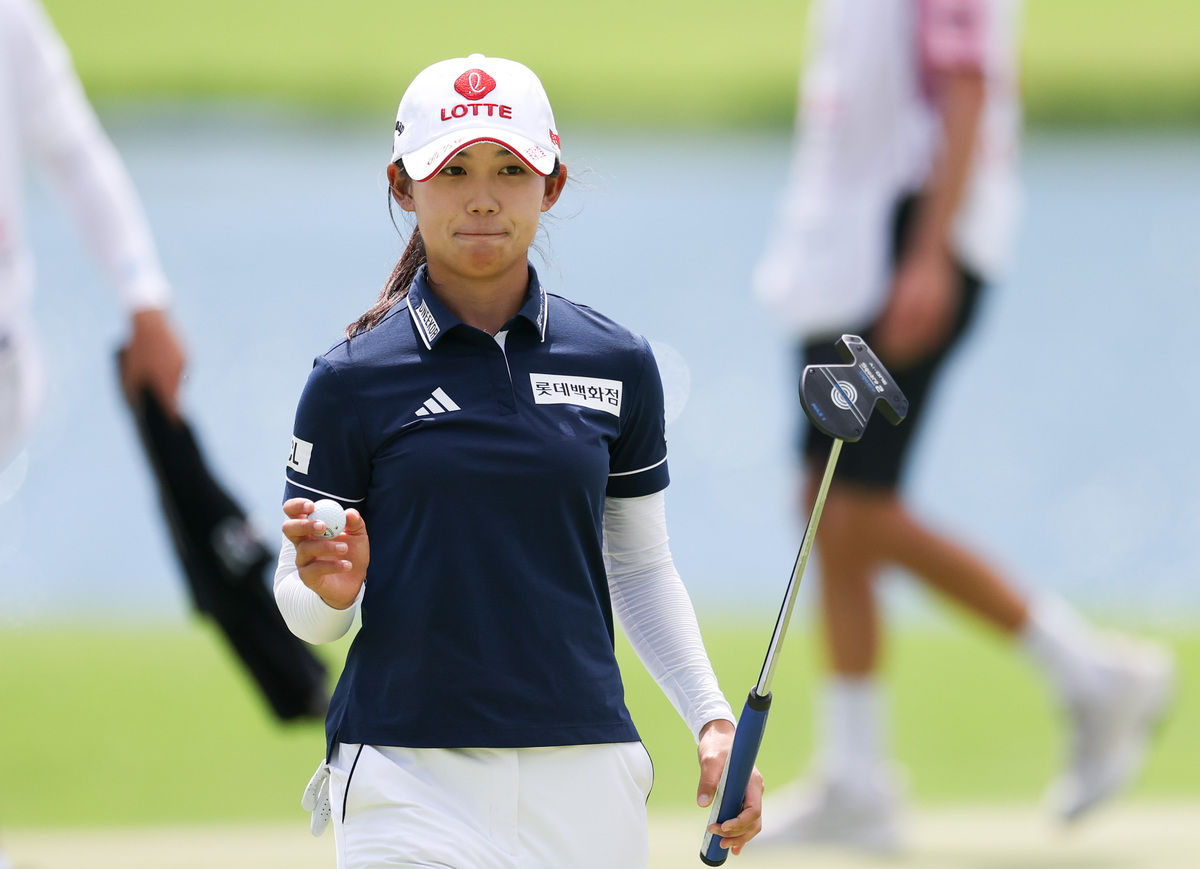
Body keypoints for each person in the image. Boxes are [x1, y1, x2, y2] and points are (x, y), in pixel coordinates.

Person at [274, 54, 763, 868]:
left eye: (510, 169)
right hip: (405, 773)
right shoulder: (351, 379)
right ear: (404, 186)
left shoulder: (618, 363)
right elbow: (304, 601)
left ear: (553, 184)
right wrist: (332, 596)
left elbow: (638, 567)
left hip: (588, 772)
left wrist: (711, 719)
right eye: (453, 169)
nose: (482, 196)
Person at [752, 0, 1174, 853]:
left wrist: (929, 254)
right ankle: (858, 776)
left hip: (903, 243)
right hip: (847, 247)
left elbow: (970, 79)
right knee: (825, 499)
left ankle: (1093, 673)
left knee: (854, 504)